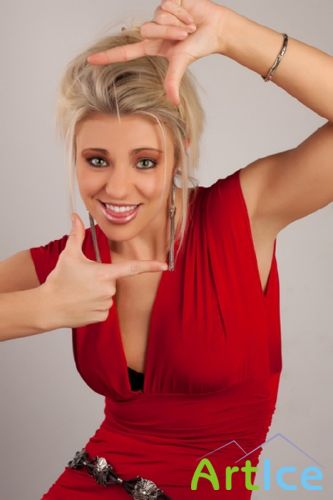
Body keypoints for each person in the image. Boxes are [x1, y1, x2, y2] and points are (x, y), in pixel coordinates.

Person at [0, 0, 332, 498]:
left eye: (145, 162)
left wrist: (233, 34)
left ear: (180, 152)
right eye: (97, 159)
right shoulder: (66, 261)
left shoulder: (241, 217)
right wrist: (40, 308)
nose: (117, 187)